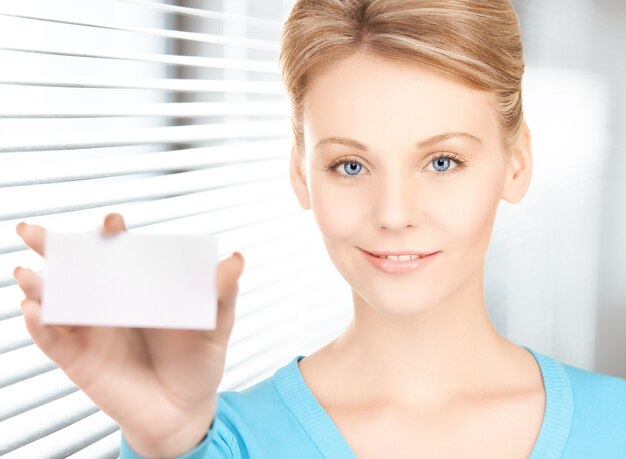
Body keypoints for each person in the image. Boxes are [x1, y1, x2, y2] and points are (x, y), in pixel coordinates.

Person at [13, 0, 626, 458]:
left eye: (442, 162)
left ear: (516, 163)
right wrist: (168, 444)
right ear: (301, 175)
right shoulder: (212, 442)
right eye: (350, 165)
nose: (393, 212)